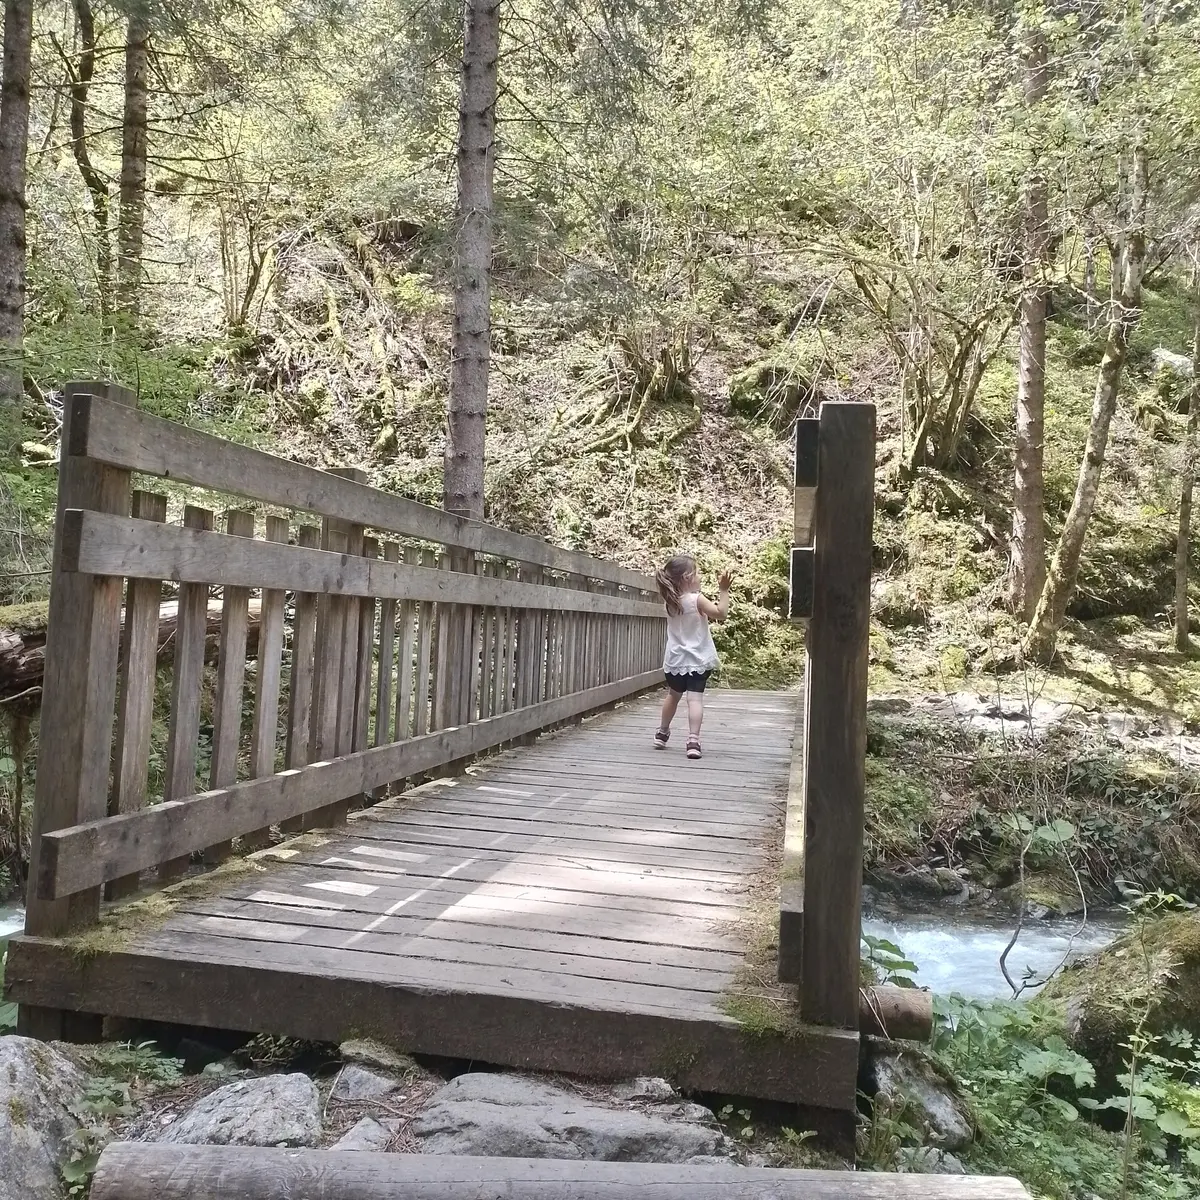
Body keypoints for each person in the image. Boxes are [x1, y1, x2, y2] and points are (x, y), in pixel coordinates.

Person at [653, 554, 732, 760]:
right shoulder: (696, 599)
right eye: (696, 573)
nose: (699, 577)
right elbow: (721, 613)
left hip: (675, 661)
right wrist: (723, 590)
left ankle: (662, 732)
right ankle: (693, 740)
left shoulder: (670, 602)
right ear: (687, 578)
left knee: (673, 695)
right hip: (697, 660)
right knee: (694, 699)